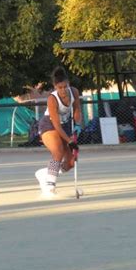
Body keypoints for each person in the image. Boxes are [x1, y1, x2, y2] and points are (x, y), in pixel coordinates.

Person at [35, 66, 82, 197]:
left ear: (69, 84)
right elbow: (56, 124)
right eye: (59, 88)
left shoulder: (74, 92)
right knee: (58, 151)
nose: (63, 90)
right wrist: (70, 141)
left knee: (71, 162)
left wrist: (78, 124)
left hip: (65, 125)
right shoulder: (52, 99)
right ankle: (50, 187)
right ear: (55, 87)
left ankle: (45, 173)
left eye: (65, 87)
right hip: (49, 125)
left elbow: (77, 109)